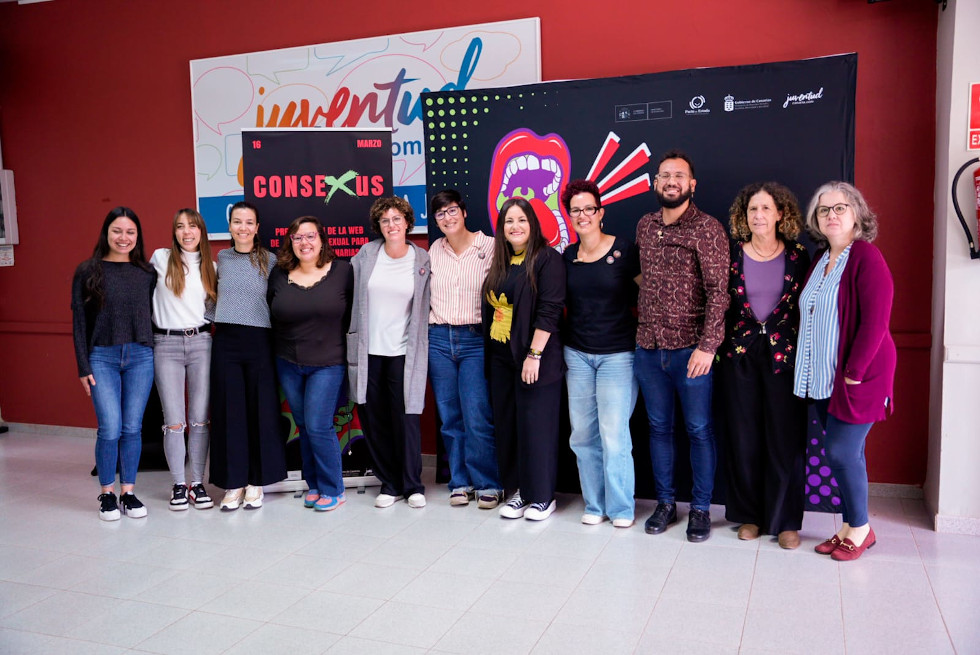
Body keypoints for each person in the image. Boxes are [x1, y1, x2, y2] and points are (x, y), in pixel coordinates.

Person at [794, 181, 896, 561]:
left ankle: (862, 528)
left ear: (856, 215)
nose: (832, 215)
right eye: (824, 210)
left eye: (840, 208)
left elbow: (876, 321)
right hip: (823, 377)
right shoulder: (820, 260)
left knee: (840, 452)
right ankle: (851, 526)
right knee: (847, 455)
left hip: (858, 376)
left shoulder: (866, 256)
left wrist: (853, 372)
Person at [634, 150, 729, 542]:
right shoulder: (645, 225)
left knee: (699, 430)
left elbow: (719, 292)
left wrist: (708, 347)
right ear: (655, 183)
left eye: (679, 175)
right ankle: (666, 503)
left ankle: (701, 509)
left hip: (691, 351)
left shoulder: (707, 228)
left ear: (692, 184)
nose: (671, 181)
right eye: (664, 175)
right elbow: (642, 276)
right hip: (648, 348)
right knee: (658, 429)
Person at [718, 182, 810, 548]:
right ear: (744, 216)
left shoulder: (799, 256)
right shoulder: (731, 254)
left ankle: (786, 522)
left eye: (766, 208)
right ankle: (750, 516)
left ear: (780, 214)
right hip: (739, 356)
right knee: (744, 438)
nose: (759, 215)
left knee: (785, 439)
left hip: (783, 357)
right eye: (752, 209)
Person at [560, 180, 639, 528]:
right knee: (582, 435)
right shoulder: (567, 256)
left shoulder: (624, 251)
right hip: (577, 354)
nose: (583, 215)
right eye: (576, 210)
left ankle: (621, 508)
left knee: (614, 434)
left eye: (588, 209)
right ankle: (595, 505)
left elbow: (648, 296)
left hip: (617, 355)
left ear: (600, 212)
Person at [483, 197, 566, 521]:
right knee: (508, 426)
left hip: (535, 358)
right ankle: (518, 491)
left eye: (521, 220)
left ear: (532, 224)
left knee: (536, 428)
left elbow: (549, 311)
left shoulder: (547, 259)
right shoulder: (501, 262)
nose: (515, 226)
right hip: (501, 358)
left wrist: (534, 354)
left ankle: (542, 496)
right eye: (509, 221)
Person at [71, 207, 156, 520]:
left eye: (130, 232)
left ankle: (128, 493)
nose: (124, 238)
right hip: (102, 358)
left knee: (132, 428)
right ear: (106, 233)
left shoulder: (147, 273)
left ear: (138, 236)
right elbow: (79, 322)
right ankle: (107, 494)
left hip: (140, 356)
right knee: (110, 428)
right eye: (117, 231)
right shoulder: (87, 271)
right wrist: (83, 366)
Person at [348, 197, 431, 509]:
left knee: (406, 419)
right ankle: (390, 483)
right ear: (378, 226)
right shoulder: (366, 255)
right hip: (368, 351)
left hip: (403, 352)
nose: (391, 225)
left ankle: (412, 485)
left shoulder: (421, 259)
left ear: (408, 222)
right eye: (385, 220)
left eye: (397, 219)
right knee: (374, 418)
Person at [268, 216, 353, 512]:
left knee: (318, 425)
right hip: (288, 362)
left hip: (328, 363)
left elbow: (355, 314)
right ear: (290, 242)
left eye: (310, 236)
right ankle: (314, 484)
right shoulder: (279, 274)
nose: (304, 242)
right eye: (298, 237)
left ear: (322, 239)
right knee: (304, 425)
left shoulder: (343, 271)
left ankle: (334, 489)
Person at [427, 189, 502, 509]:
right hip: (438, 339)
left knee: (477, 415)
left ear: (464, 212)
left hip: (475, 339)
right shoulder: (434, 250)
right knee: (449, 418)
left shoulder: (490, 246)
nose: (447, 217)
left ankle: (488, 483)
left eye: (452, 210)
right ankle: (460, 482)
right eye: (440, 213)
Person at [210, 201, 286, 511]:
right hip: (226, 340)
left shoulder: (270, 260)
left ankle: (256, 481)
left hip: (259, 340)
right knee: (230, 412)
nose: (243, 227)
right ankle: (234, 482)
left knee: (260, 411)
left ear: (257, 228)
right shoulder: (221, 259)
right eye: (237, 222)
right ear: (229, 226)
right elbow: (212, 298)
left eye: (249, 222)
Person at [150, 208, 217, 511]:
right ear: (174, 232)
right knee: (174, 422)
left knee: (200, 420)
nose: (186, 232)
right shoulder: (160, 258)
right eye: (180, 227)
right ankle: (179, 484)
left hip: (202, 343)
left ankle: (197, 484)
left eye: (192, 226)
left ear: (201, 231)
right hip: (166, 344)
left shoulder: (212, 267)